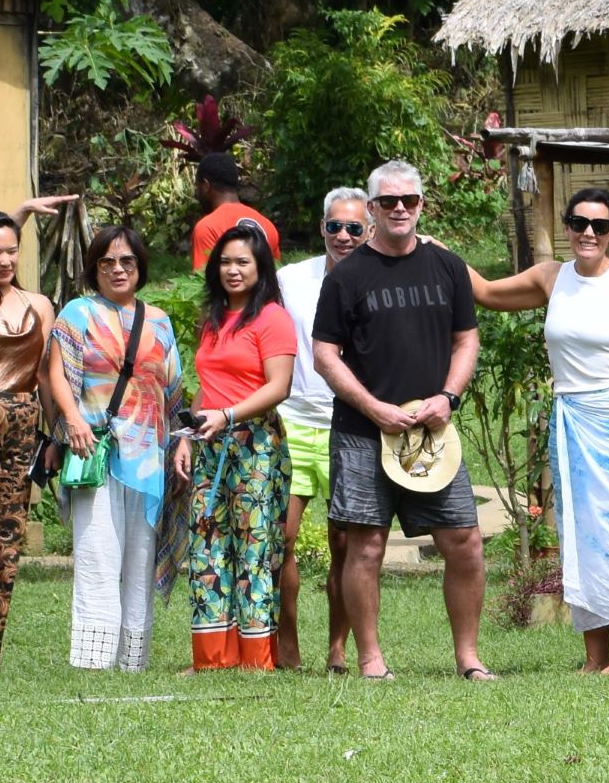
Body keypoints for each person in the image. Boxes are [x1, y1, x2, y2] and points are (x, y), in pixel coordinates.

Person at [474, 186, 609, 672]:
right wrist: (428, 250)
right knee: (583, 539)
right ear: (565, 228)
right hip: (572, 421)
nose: (588, 233)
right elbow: (487, 292)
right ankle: (593, 655)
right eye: (579, 223)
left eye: (599, 226)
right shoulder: (550, 277)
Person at [312, 159, 490, 680]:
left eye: (407, 200)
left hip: (433, 431)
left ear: (421, 205)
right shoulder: (347, 277)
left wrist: (449, 397)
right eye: (387, 201)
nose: (398, 209)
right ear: (370, 209)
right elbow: (326, 354)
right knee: (365, 545)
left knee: (464, 540)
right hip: (363, 432)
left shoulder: (448, 266)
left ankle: (468, 658)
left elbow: (466, 339)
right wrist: (374, 408)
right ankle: (370, 659)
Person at [48, 226, 182, 671]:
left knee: (140, 561)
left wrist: (180, 443)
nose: (118, 269)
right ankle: (93, 660)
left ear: (140, 266)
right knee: (98, 555)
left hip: (148, 458)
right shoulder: (78, 312)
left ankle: (132, 662)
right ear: (95, 268)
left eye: (126, 261)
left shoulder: (159, 321)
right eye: (107, 262)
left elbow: (173, 388)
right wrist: (70, 422)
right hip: (95, 452)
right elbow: (57, 374)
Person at [178, 223, 296, 668]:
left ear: (260, 267)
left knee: (254, 547)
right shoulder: (212, 319)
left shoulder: (272, 318)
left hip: (255, 445)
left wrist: (228, 415)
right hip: (209, 443)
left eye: (242, 262)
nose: (232, 270)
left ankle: (256, 658)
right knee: (207, 546)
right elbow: (207, 385)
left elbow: (279, 386)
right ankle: (211, 657)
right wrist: (187, 437)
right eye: (225, 261)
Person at [273, 190, 362, 672]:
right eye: (335, 227)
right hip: (291, 422)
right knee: (279, 538)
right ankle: (287, 643)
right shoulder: (291, 280)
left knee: (345, 544)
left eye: (354, 228)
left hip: (349, 427)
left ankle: (338, 648)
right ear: (321, 226)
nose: (343, 237)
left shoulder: (379, 277)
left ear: (369, 229)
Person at [0, 205, 65, 668]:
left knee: (6, 538)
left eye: (12, 250)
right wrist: (21, 211)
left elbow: (48, 377)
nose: (5, 260)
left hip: (24, 420)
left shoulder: (39, 305)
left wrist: (54, 434)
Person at [186, 152, 278, 270]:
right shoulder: (268, 226)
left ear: (206, 186)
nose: (197, 193)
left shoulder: (207, 228)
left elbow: (202, 283)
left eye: (197, 187)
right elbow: (276, 279)